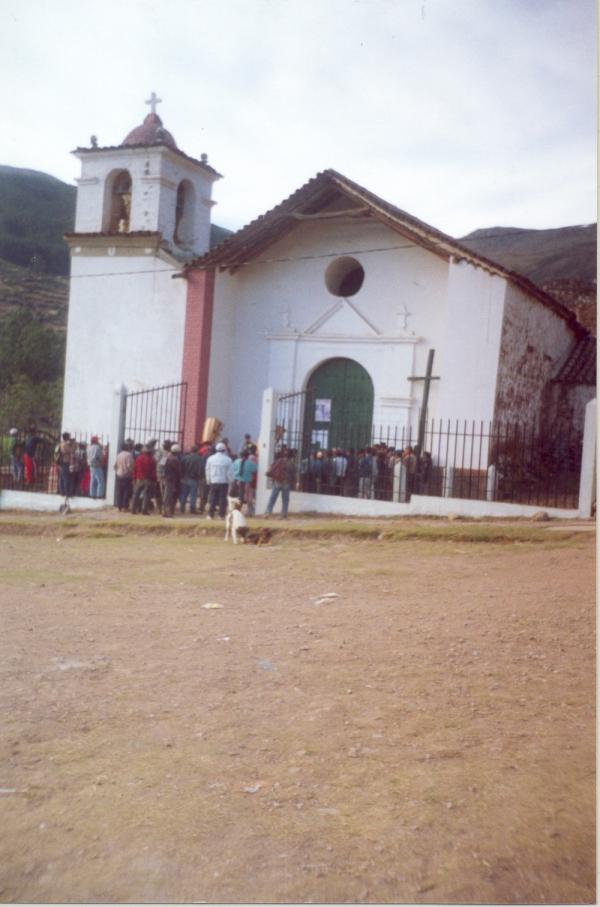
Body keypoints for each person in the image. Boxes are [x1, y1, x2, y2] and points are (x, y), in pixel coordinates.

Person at [205, 441, 232, 519]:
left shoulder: (210, 459)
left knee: (212, 498)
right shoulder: (228, 460)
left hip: (213, 481)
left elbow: (207, 470)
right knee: (222, 499)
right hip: (224, 482)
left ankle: (210, 514)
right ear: (224, 450)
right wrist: (230, 481)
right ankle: (221, 515)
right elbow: (230, 473)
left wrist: (208, 480)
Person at [265, 449, 295, 519]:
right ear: (291, 456)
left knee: (272, 498)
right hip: (286, 483)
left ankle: (268, 512)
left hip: (277, 481)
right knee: (285, 500)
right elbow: (293, 475)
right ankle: (284, 514)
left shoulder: (279, 460)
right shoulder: (291, 464)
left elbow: (272, 467)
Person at [130, 445, 157, 515]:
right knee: (146, 496)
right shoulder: (152, 460)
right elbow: (153, 472)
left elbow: (134, 469)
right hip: (148, 480)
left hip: (139, 479)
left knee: (136, 494)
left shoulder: (138, 458)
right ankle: (144, 510)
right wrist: (154, 480)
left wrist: (134, 478)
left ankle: (133, 509)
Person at [179, 444, 204, 514]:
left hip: (184, 478)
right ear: (197, 450)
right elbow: (201, 469)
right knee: (193, 495)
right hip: (194, 479)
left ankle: (182, 507)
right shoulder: (199, 458)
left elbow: (181, 468)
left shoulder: (185, 458)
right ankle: (192, 509)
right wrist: (200, 477)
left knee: (184, 494)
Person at [162, 444, 182, 517]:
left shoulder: (165, 457)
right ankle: (167, 512)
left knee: (165, 496)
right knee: (169, 496)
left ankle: (164, 511)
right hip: (171, 479)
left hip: (164, 479)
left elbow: (161, 466)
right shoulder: (175, 459)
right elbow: (178, 471)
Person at [114, 442, 134, 511]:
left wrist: (118, 471)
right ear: (127, 447)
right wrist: (131, 472)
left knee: (120, 491)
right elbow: (129, 466)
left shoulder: (119, 455)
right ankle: (125, 507)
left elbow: (115, 466)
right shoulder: (129, 455)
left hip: (119, 475)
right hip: (127, 476)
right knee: (126, 492)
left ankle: (119, 506)